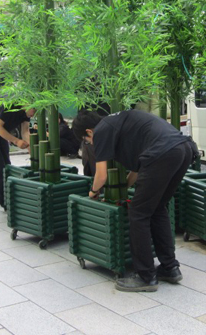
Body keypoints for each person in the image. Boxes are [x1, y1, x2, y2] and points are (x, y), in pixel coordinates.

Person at [72, 109, 198, 292]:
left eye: (87, 140)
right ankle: (170, 268)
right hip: (183, 149)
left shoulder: (101, 131)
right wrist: (125, 188)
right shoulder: (118, 122)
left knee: (138, 214)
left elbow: (101, 175)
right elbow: (139, 170)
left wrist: (93, 192)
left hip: (163, 154)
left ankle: (146, 276)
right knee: (157, 207)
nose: (90, 143)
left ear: (89, 132)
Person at [0, 97, 35, 208]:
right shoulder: (10, 105)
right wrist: (16, 140)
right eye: (35, 110)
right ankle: (6, 203)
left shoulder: (26, 112)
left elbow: (25, 131)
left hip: (1, 133)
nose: (34, 114)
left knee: (6, 165)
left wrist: (31, 150)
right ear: (28, 104)